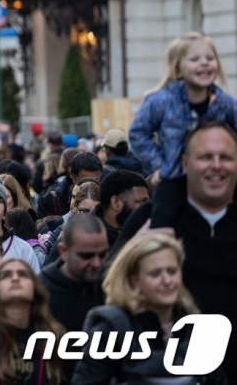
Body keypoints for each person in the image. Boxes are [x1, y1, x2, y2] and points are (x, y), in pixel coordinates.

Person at [114, 120, 237, 378]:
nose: (216, 165)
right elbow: (109, 286)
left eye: (225, 157)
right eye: (205, 157)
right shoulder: (150, 221)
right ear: (184, 163)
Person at [73, 234, 227, 384]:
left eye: (172, 271)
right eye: (155, 274)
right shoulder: (112, 330)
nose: (167, 281)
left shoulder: (197, 326)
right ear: (135, 280)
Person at [130, 32, 237, 180]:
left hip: (215, 178)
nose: (204, 62)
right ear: (178, 67)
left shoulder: (224, 102)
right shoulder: (161, 100)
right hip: (176, 179)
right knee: (164, 202)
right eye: (195, 59)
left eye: (210, 58)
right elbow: (137, 133)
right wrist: (162, 164)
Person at [39, 213, 107, 334]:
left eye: (102, 255)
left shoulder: (111, 284)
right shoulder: (40, 291)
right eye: (86, 256)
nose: (96, 263)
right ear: (63, 251)